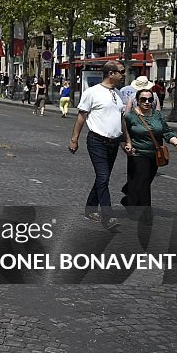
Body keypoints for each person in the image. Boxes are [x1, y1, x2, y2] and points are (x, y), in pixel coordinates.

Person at [68, 61, 127, 230]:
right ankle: (108, 217)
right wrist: (74, 139)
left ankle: (90, 208)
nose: (123, 75)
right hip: (97, 141)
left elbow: (121, 119)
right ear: (111, 74)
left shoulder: (118, 94)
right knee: (103, 177)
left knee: (103, 177)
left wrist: (126, 140)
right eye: (121, 72)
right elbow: (81, 117)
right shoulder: (92, 92)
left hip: (113, 142)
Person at [120, 88, 177, 223]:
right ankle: (145, 215)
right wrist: (126, 146)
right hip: (138, 154)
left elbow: (167, 132)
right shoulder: (129, 116)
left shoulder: (158, 116)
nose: (147, 102)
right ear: (137, 100)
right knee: (144, 184)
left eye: (150, 99)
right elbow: (123, 136)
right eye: (143, 99)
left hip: (155, 155)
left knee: (144, 181)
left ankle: (129, 198)